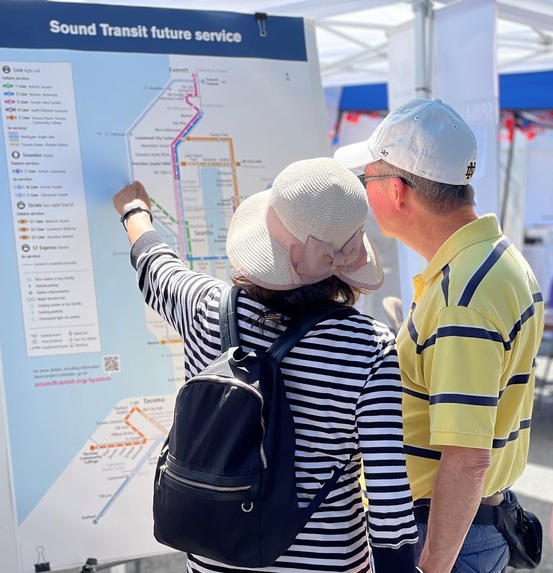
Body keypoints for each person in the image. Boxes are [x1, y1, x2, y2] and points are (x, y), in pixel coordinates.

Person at [113, 157, 418, 573]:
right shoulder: (370, 349)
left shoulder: (203, 308)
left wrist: (135, 210)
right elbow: (390, 512)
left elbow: (154, 263)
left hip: (214, 559)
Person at [334, 98, 546, 573]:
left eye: (367, 180)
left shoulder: (462, 295)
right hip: (469, 528)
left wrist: (431, 567)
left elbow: (467, 459)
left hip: (443, 536)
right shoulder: (495, 258)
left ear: (397, 191)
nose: (365, 194)